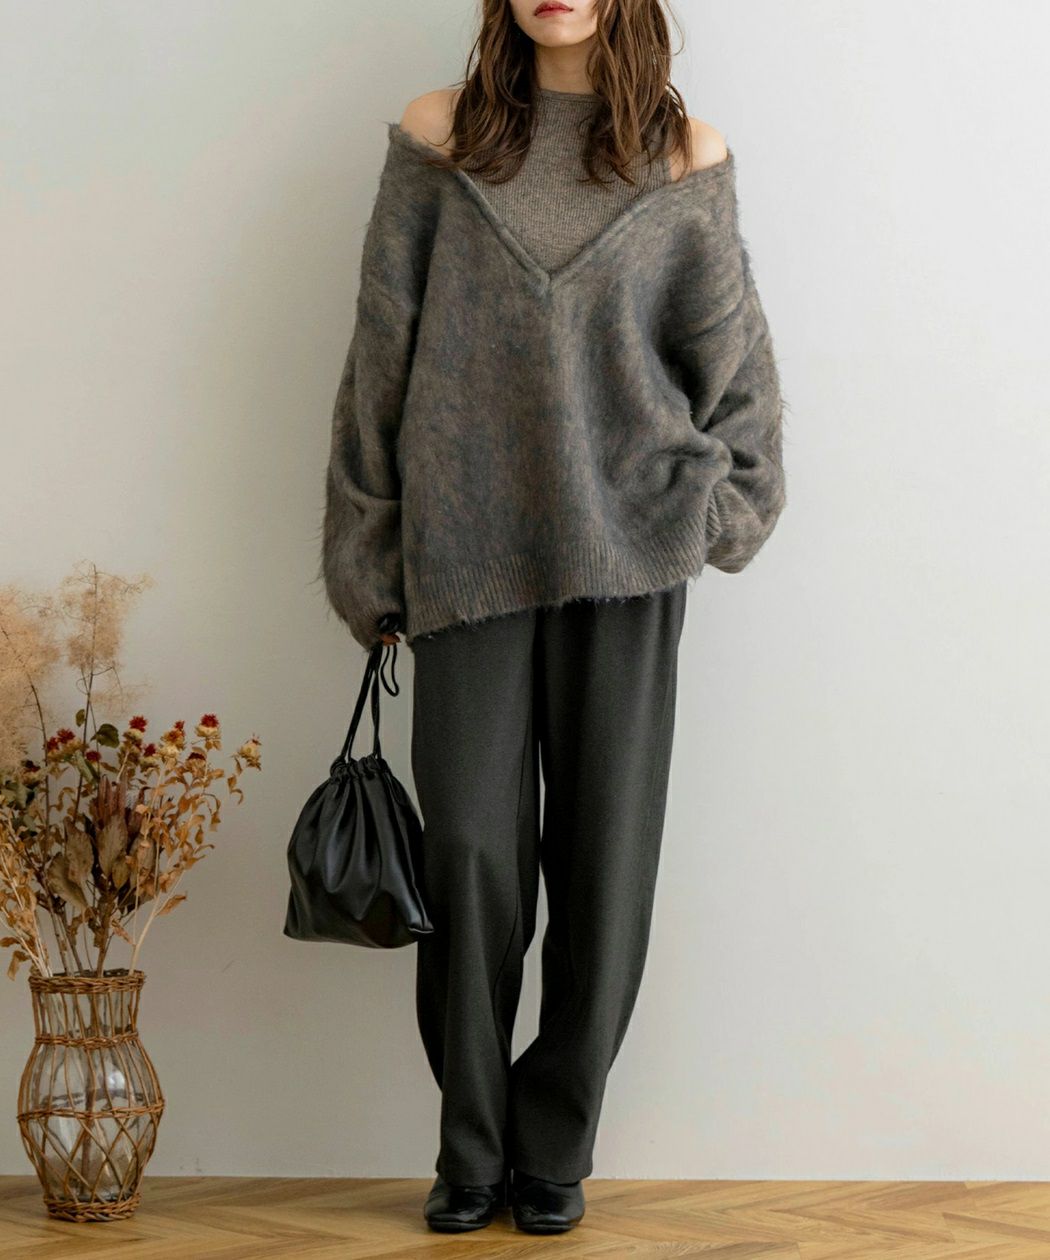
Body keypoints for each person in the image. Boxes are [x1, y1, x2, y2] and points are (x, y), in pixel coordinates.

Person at [320, 0, 787, 1235]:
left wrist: (725, 507)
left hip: (632, 556)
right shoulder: (440, 136)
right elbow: (380, 358)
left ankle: (554, 1146)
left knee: (605, 868)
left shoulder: (684, 155)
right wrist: (369, 554)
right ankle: (470, 1146)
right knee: (472, 859)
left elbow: (735, 367)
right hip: (464, 555)